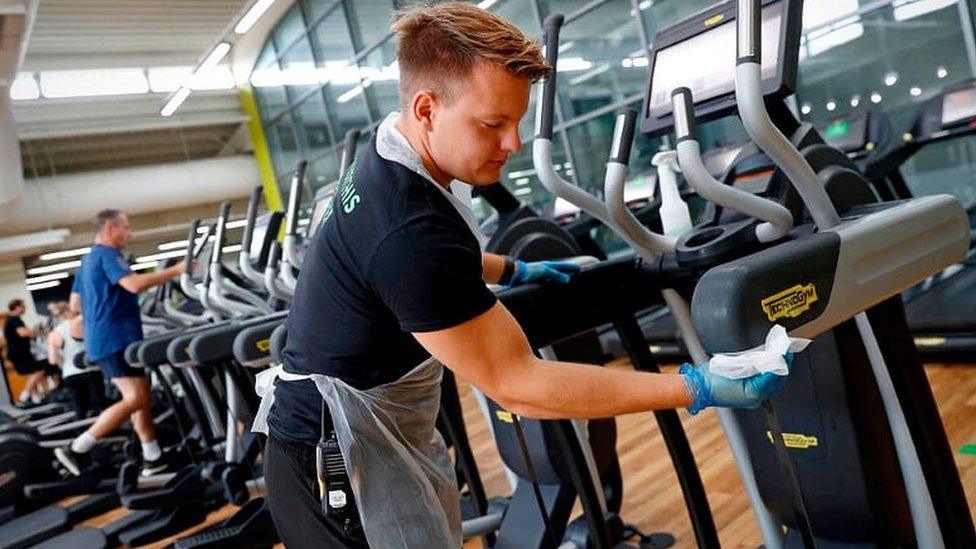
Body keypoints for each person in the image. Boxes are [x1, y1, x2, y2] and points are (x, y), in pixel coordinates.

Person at [254, 4, 795, 548]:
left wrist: (514, 268)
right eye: (493, 124)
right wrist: (693, 385)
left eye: (517, 122)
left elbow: (414, 258)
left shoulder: (391, 155)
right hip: (336, 462)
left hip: (355, 434)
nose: (512, 143)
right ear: (426, 109)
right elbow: (519, 385)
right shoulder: (407, 229)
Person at [55, 209, 185, 476]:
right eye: (126, 227)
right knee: (136, 397)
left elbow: (74, 305)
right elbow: (134, 285)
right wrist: (176, 270)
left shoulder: (87, 260)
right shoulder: (108, 255)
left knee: (141, 398)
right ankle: (78, 447)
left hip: (104, 339)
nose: (130, 233)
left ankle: (153, 457)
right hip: (116, 339)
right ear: (110, 229)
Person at [47, 307, 104, 418]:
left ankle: (84, 432)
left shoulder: (54, 334)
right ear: (68, 312)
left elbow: (53, 360)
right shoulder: (82, 323)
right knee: (100, 406)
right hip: (90, 369)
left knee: (80, 409)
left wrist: (64, 362)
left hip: (70, 374)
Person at [3, 299, 45, 405]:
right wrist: (37, 333)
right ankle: (23, 397)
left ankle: (35, 398)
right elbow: (23, 333)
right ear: (17, 307)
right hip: (19, 353)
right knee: (38, 371)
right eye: (23, 306)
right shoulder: (14, 319)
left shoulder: (12, 320)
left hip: (19, 352)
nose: (25, 308)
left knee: (31, 374)